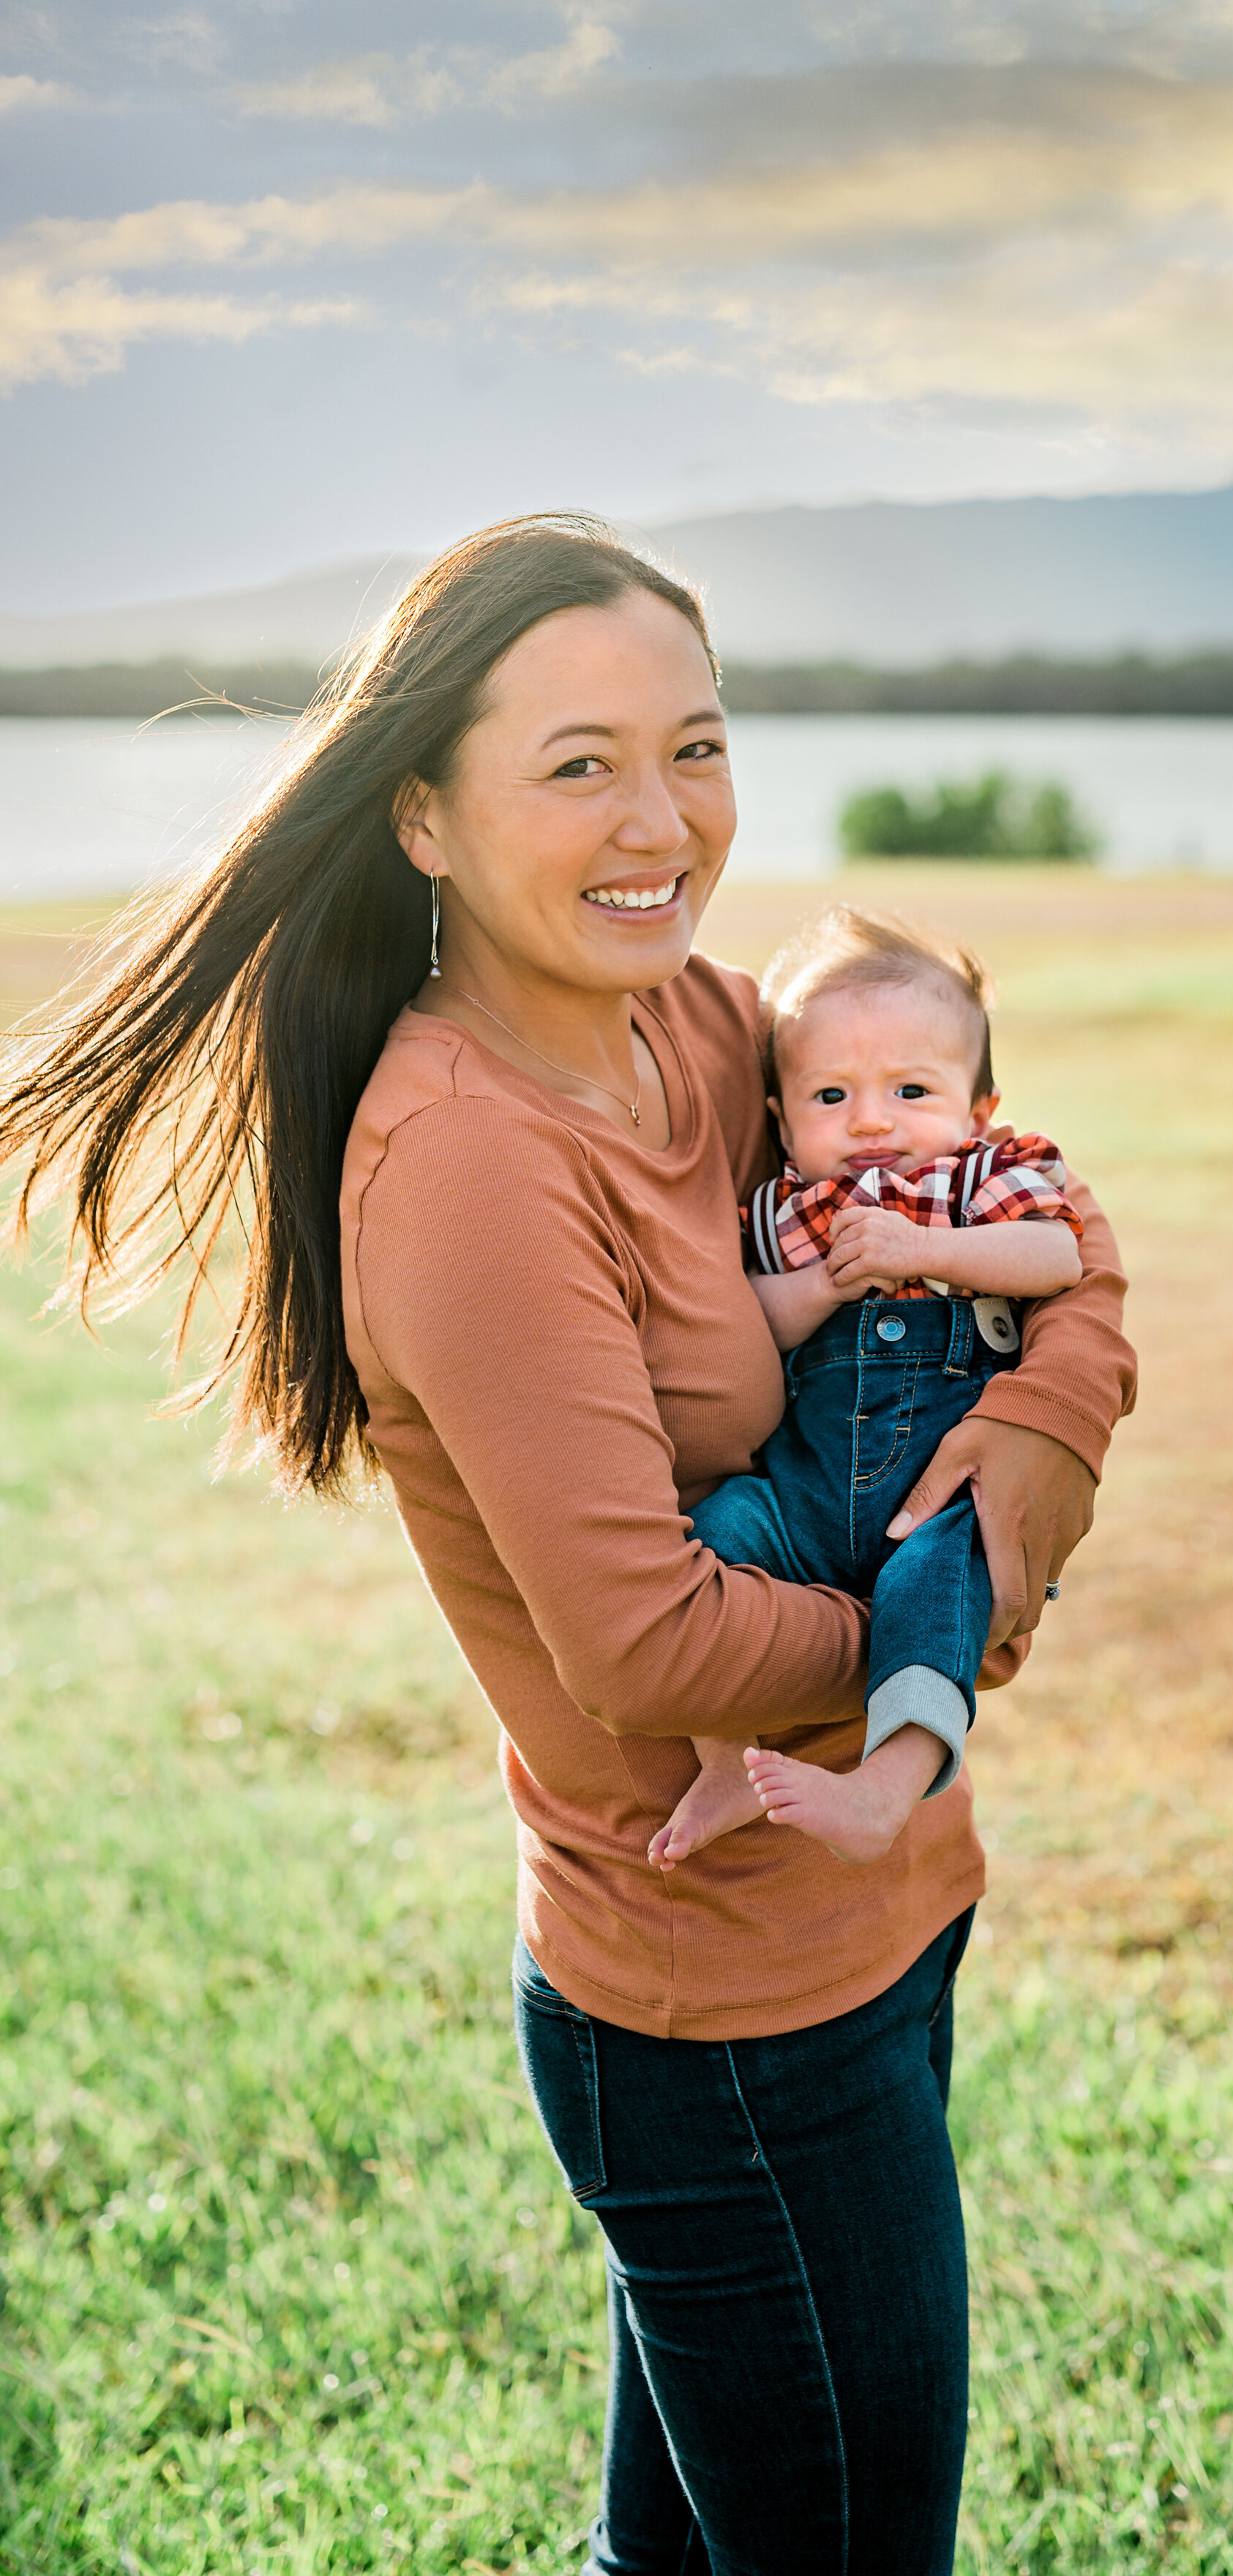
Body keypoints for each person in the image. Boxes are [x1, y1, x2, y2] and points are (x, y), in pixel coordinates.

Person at [0, 513, 1135, 2576]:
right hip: (716, 2000)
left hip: (877, 1901)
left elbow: (1063, 1264)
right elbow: (639, 1642)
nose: (662, 818)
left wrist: (1013, 1487)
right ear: (421, 814)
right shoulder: (461, 1163)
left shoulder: (711, 1029)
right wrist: (933, 1626)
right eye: (580, 762)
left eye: (694, 746)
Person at [651, 906, 1090, 1873]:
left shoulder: (984, 1176)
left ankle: (885, 1790)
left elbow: (1056, 1254)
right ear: (780, 1119)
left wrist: (926, 1250)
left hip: (933, 1498)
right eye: (832, 1094)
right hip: (804, 1499)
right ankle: (725, 1759)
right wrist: (821, 1285)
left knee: (944, 1579)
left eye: (912, 1088)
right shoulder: (781, 1213)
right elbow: (746, 1326)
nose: (873, 1121)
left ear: (979, 1109)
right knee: (723, 1528)